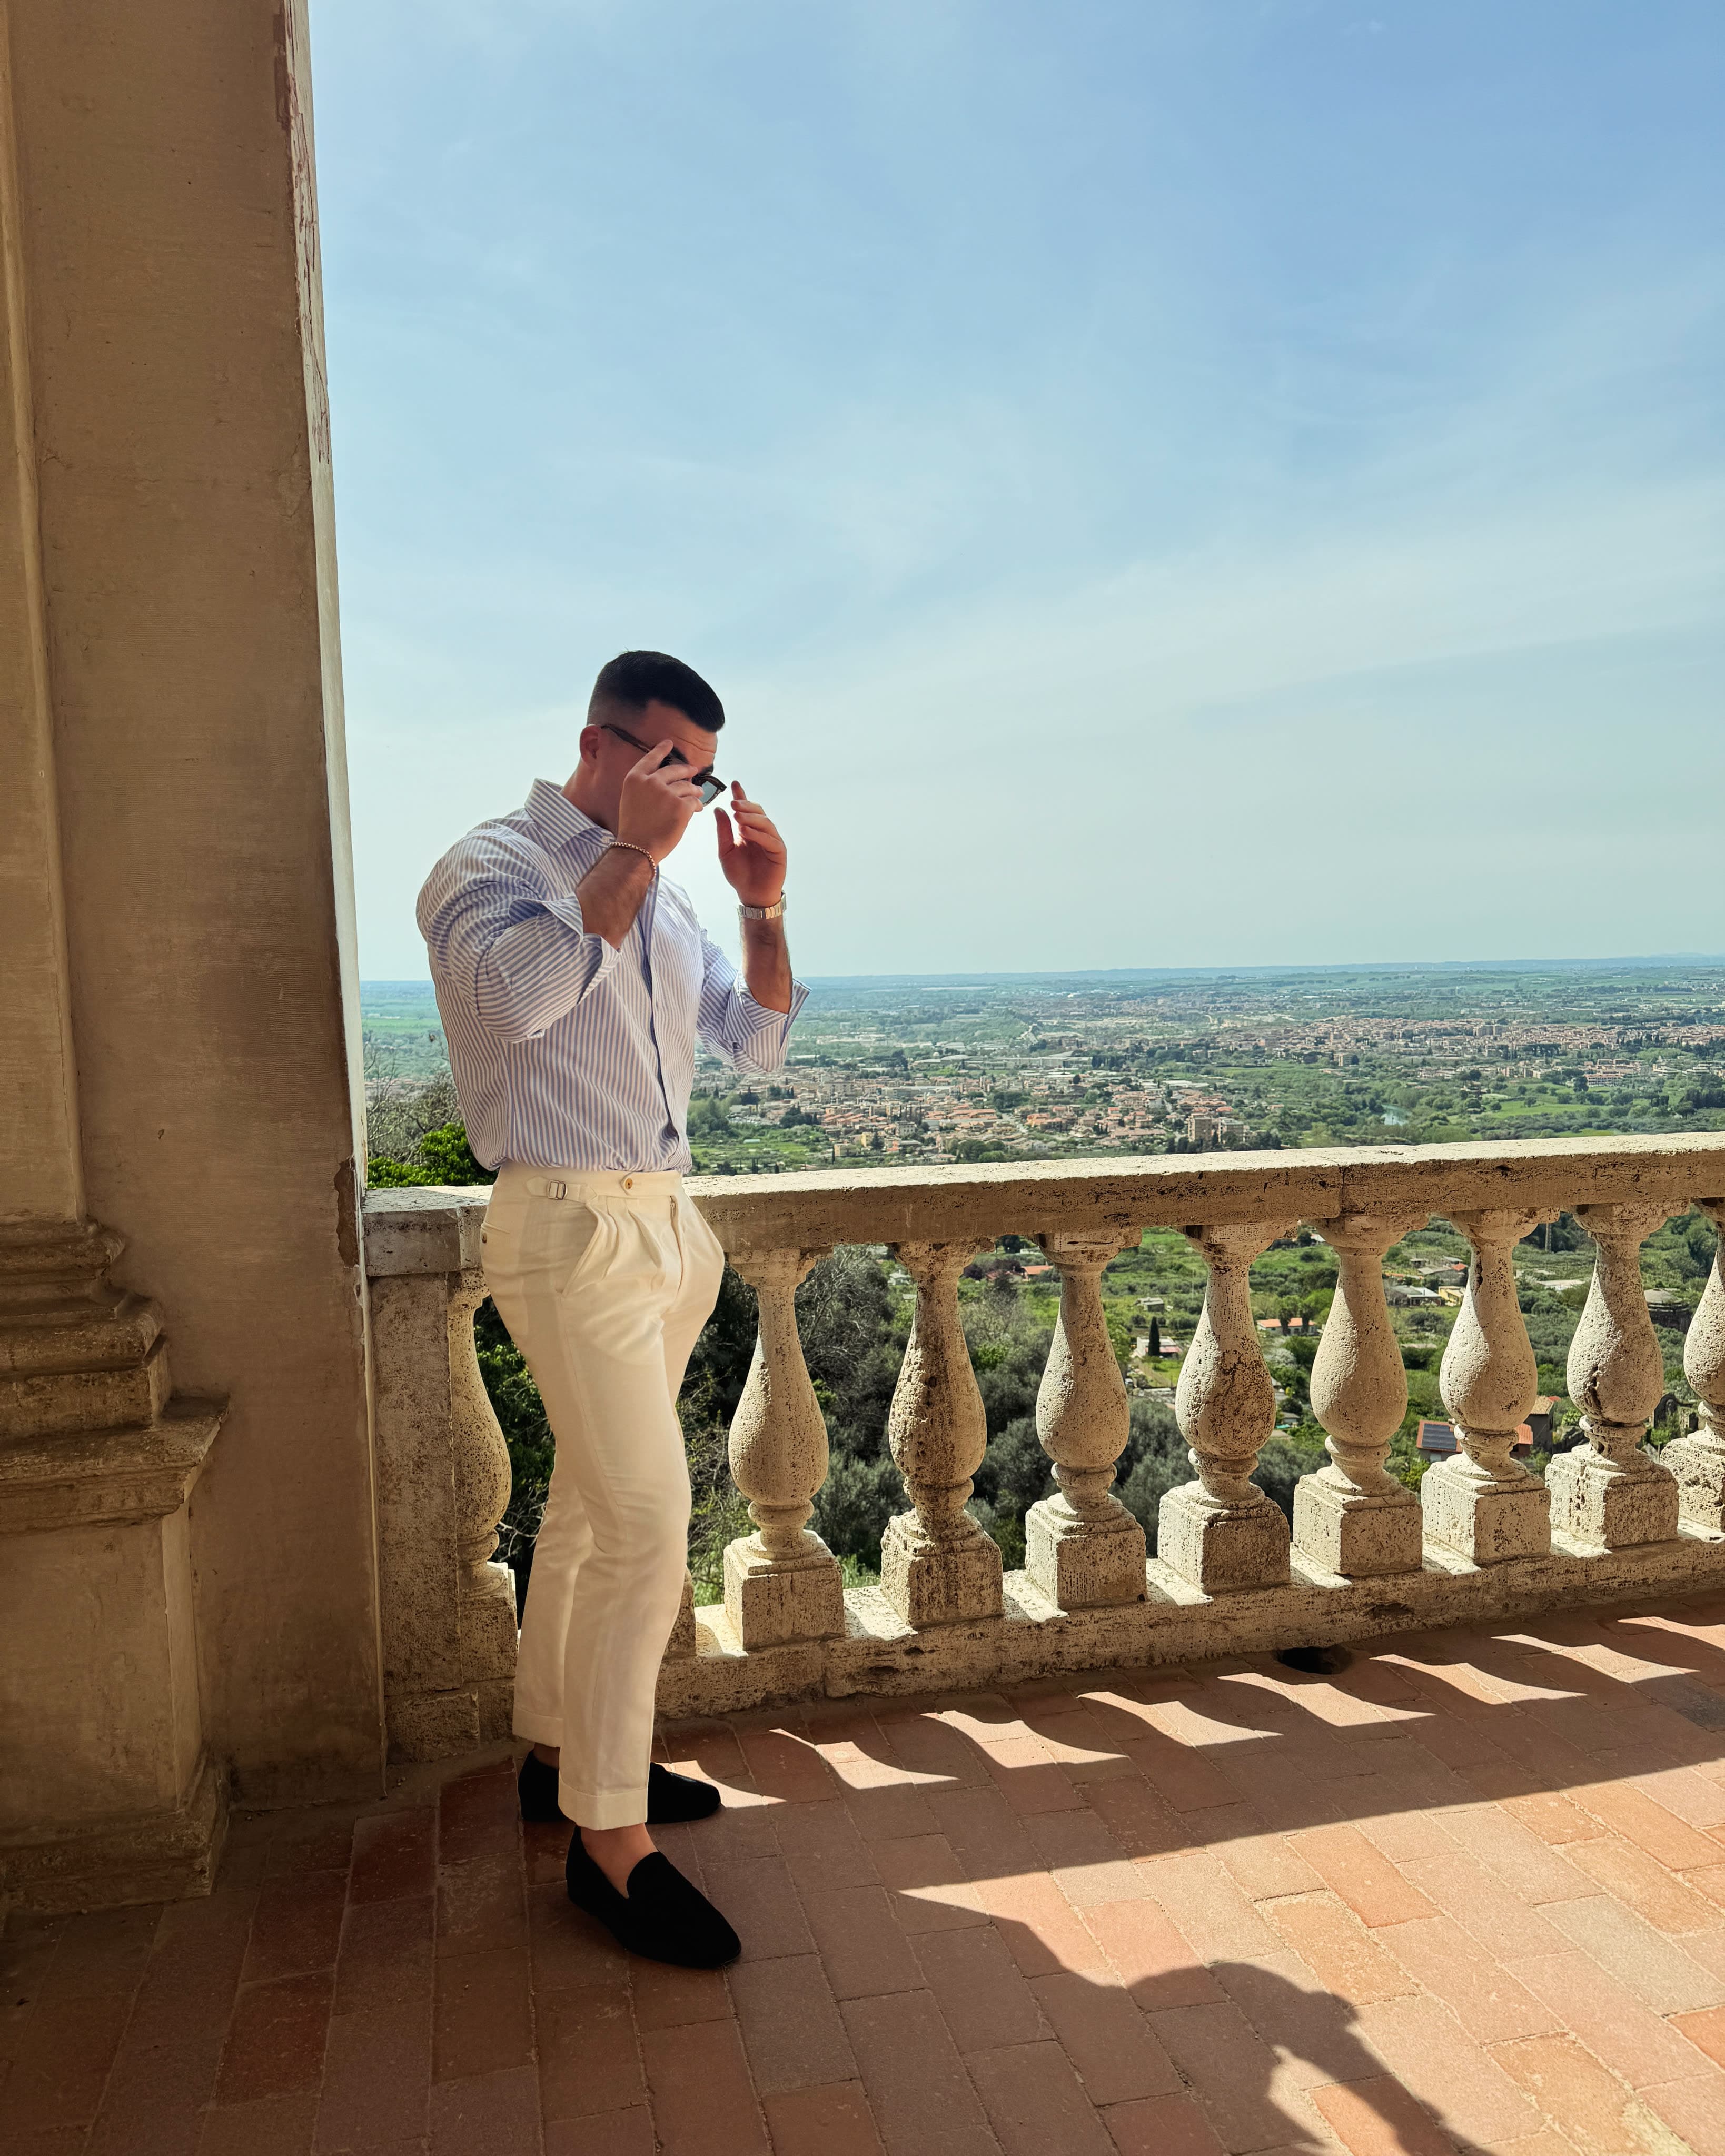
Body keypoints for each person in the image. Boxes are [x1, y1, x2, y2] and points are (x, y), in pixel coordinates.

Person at [417, 650, 805, 1968]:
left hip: (667, 1227)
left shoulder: (682, 901)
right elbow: (512, 1002)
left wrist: (762, 905)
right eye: (664, 766)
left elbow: (754, 1044)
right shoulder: (494, 864)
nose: (685, 792)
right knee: (650, 1523)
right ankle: (609, 1838)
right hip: (566, 1221)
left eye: (699, 773)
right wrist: (629, 860)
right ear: (600, 742)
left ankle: (559, 1756)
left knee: (590, 1513)